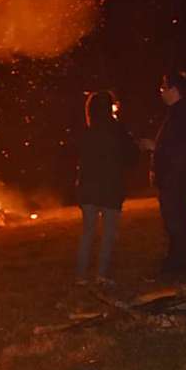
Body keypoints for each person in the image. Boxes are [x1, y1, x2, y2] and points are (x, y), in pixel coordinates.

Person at [139, 70, 186, 281]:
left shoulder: (181, 115)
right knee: (175, 221)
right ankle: (177, 262)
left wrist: (153, 148)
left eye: (163, 87)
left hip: (175, 178)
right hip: (174, 177)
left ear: (174, 89)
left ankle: (182, 264)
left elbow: (177, 149)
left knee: (177, 222)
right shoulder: (178, 113)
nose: (161, 91)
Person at [75, 91, 139, 285]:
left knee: (88, 233)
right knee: (108, 233)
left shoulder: (86, 132)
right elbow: (131, 158)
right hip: (111, 188)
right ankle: (101, 275)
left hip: (88, 190)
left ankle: (81, 276)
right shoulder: (117, 129)